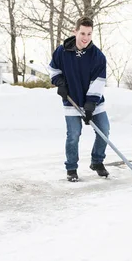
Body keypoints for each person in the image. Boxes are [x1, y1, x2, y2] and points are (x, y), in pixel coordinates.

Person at [48, 16, 110, 182]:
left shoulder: (97, 56)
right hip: (72, 101)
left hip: (94, 102)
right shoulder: (62, 52)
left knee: (104, 130)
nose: (86, 37)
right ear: (75, 31)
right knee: (74, 134)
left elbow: (98, 82)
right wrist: (59, 82)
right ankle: (71, 168)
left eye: (89, 34)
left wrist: (90, 104)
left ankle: (97, 161)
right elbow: (53, 70)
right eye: (82, 33)